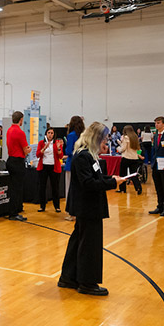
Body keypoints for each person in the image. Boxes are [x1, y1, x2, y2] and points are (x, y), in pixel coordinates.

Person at [59, 122, 125, 296]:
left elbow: (95, 177)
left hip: (88, 207)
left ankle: (69, 277)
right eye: (103, 139)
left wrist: (111, 179)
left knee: (78, 242)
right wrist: (112, 183)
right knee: (89, 245)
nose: (105, 142)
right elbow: (88, 184)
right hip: (87, 207)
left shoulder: (89, 156)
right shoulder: (83, 156)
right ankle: (87, 283)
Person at [5, 111, 31, 222]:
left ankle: (14, 210)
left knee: (13, 188)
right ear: (21, 120)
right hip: (18, 162)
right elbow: (26, 150)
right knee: (17, 188)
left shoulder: (9, 130)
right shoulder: (20, 133)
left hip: (10, 160)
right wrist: (29, 150)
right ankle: (14, 213)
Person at [36, 128, 63, 212]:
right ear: (46, 134)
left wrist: (59, 148)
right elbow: (38, 155)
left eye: (52, 133)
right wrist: (44, 148)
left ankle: (57, 206)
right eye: (49, 133)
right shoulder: (41, 143)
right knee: (42, 187)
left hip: (54, 168)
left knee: (55, 187)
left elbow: (60, 156)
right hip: (43, 167)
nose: (50, 134)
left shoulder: (57, 143)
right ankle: (42, 206)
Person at [63, 116, 85, 221]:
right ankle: (78, 211)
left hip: (72, 164)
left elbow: (68, 151)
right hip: (82, 165)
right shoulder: (83, 135)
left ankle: (71, 213)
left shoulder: (71, 135)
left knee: (70, 189)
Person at [116, 125, 143, 195]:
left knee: (123, 175)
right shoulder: (135, 138)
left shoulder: (125, 137)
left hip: (126, 158)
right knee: (133, 174)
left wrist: (118, 148)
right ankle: (138, 188)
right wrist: (139, 155)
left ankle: (122, 189)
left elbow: (123, 148)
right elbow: (139, 149)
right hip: (134, 159)